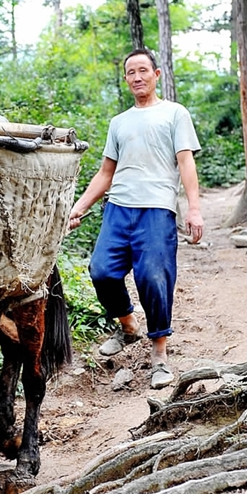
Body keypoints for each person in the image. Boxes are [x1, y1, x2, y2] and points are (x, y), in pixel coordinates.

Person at [68, 47, 204, 388]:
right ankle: (128, 326)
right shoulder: (119, 122)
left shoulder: (175, 113)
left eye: (143, 70)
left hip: (157, 209)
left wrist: (194, 208)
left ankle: (159, 353)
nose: (137, 77)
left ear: (156, 75)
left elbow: (186, 162)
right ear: (126, 79)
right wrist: (80, 206)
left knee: (154, 278)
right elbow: (105, 173)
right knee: (102, 271)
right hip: (118, 208)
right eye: (131, 72)